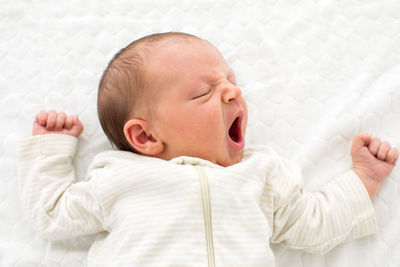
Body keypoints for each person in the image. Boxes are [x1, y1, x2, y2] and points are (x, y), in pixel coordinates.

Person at [17, 32, 398, 266]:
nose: (233, 92)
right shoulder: (119, 178)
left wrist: (363, 178)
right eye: (204, 92)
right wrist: (51, 150)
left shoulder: (260, 174)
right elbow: (53, 214)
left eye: (230, 81)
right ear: (146, 137)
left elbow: (313, 222)